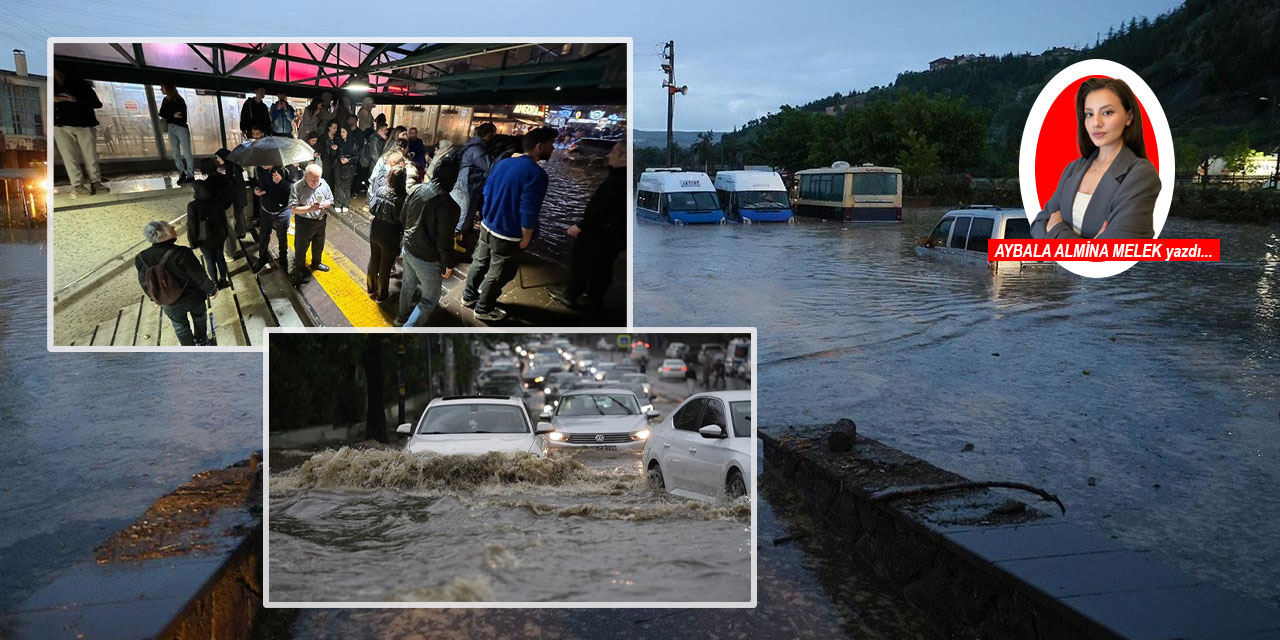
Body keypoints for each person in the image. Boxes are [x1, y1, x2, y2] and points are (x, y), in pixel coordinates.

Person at [1032, 77, 1160, 240]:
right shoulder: (1073, 168)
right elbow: (1039, 223)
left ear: (1129, 117)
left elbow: (1110, 252)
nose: (1096, 123)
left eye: (1107, 112)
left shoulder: (1141, 174)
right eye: (1089, 114)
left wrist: (1056, 229)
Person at [461, 127, 556, 322]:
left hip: (488, 225)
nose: (553, 148)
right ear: (539, 146)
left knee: (479, 263)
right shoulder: (537, 175)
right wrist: (526, 236)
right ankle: (484, 308)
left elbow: (486, 191)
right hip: (508, 234)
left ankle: (468, 297)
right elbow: (529, 208)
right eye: (550, 144)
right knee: (499, 273)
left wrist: (486, 216)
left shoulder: (503, 164)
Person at [550, 140, 626, 310]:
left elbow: (603, 208)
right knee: (603, 266)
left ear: (625, 157)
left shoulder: (617, 181)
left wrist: (581, 226)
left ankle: (571, 296)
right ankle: (593, 298)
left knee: (581, 263)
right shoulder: (619, 177)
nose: (608, 155)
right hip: (615, 236)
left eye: (613, 152)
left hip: (600, 233)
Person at [397, 153, 463, 327]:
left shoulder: (415, 189)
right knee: (429, 299)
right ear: (454, 180)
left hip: (408, 247)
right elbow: (444, 242)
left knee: (407, 285)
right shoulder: (450, 206)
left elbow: (403, 218)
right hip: (426, 258)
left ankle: (401, 318)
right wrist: (448, 264)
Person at [134, 220, 217, 346]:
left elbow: (144, 282)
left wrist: (153, 298)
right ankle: (201, 341)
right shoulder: (182, 252)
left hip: (168, 301)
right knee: (199, 318)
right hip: (192, 296)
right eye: (169, 228)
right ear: (165, 235)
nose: (173, 227)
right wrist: (211, 290)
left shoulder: (141, 258)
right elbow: (198, 275)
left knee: (179, 327)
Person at [53, 69, 109, 196]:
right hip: (60, 125)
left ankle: (95, 182)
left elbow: (97, 103)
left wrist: (75, 100)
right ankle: (78, 185)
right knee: (69, 157)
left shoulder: (80, 84)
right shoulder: (51, 86)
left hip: (84, 124)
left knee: (90, 156)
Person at [451, 122, 497, 241]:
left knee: (464, 209)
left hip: (466, 183)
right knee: (464, 210)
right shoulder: (478, 150)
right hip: (467, 184)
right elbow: (490, 167)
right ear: (488, 135)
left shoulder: (470, 145)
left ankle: (460, 233)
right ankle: (456, 236)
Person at [288, 164, 334, 283]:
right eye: (312, 180)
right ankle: (299, 270)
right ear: (305, 177)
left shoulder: (323, 183)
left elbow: (330, 199)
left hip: (320, 220)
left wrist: (325, 204)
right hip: (304, 222)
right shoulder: (297, 187)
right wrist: (310, 209)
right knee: (301, 248)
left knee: (319, 243)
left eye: (317, 179)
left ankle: (316, 263)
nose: (316, 182)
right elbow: (293, 209)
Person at [367, 165, 406, 302]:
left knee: (374, 259)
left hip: (376, 229)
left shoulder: (380, 190)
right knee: (385, 267)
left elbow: (371, 209)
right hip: (391, 234)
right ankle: (381, 295)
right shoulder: (402, 197)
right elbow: (404, 220)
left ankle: (370, 287)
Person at [187, 174, 231, 289]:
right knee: (220, 257)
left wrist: (193, 242)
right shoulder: (216, 201)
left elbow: (192, 226)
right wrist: (226, 233)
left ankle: (215, 283)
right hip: (219, 235)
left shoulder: (193, 206)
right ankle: (223, 279)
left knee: (209, 260)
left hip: (204, 238)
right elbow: (223, 218)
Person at [253, 166, 292, 274]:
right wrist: (258, 189)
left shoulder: (287, 168)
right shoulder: (260, 168)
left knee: (282, 235)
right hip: (266, 207)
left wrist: (281, 181)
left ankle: (283, 258)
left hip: (282, 210)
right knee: (264, 234)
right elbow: (260, 184)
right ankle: (262, 257)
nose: (262, 164)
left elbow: (295, 189)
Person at [213, 148, 248, 258]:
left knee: (239, 213)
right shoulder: (232, 166)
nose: (217, 160)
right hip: (238, 196)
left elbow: (235, 183)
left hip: (238, 196)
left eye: (218, 158)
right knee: (239, 213)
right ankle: (241, 232)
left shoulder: (232, 167)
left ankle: (241, 232)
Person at [158, 84, 195, 184]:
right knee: (175, 152)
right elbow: (161, 113)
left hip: (181, 127)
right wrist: (172, 115)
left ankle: (190, 174)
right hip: (171, 127)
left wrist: (170, 115)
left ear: (168, 88)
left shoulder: (178, 100)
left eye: (162, 87)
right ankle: (182, 173)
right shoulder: (166, 100)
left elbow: (182, 116)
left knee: (186, 152)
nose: (161, 89)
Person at [334, 127, 358, 213]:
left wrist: (349, 160)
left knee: (347, 186)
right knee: (338, 185)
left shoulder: (353, 144)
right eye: (341, 132)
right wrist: (338, 156)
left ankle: (345, 204)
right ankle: (338, 203)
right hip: (338, 166)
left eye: (344, 132)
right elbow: (335, 155)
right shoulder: (339, 142)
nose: (342, 134)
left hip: (349, 167)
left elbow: (356, 157)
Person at [319, 121, 341, 191]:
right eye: (334, 128)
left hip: (334, 162)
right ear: (329, 128)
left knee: (333, 180)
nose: (336, 130)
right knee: (325, 179)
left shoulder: (337, 138)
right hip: (326, 161)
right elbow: (321, 150)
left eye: (336, 128)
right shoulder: (323, 138)